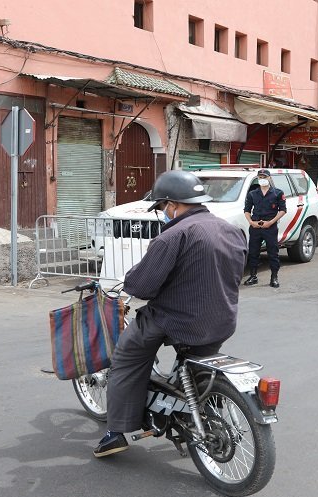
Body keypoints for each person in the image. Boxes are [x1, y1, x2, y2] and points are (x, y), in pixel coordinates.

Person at [93, 170, 248, 457]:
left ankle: (115, 432)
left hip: (174, 320)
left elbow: (142, 286)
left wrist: (130, 279)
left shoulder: (173, 235)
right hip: (222, 318)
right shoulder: (230, 230)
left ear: (172, 204)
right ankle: (197, 411)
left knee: (126, 358)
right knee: (198, 364)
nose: (163, 213)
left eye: (163, 207)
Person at [243, 169, 286, 288]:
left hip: (270, 226)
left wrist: (271, 222)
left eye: (264, 177)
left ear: (269, 178)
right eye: (260, 177)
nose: (262, 179)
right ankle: (253, 276)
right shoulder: (252, 193)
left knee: (273, 253)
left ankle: (274, 277)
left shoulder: (277, 193)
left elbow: (283, 210)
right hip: (255, 226)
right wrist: (251, 222)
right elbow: (246, 210)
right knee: (253, 252)